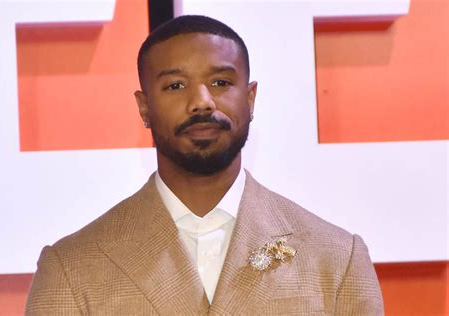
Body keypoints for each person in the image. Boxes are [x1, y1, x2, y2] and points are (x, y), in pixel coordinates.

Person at [26, 15, 383, 315]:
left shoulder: (336, 259)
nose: (201, 101)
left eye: (220, 82)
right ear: (144, 107)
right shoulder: (70, 269)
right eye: (176, 85)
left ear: (250, 97)